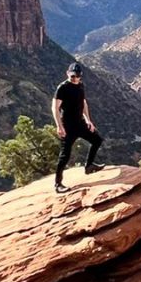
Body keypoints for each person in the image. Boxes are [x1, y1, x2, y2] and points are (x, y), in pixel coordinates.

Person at [53, 62, 105, 193]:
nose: (75, 79)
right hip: (68, 126)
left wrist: (88, 120)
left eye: (77, 76)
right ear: (67, 73)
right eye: (73, 76)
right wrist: (59, 126)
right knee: (65, 155)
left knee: (97, 140)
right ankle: (58, 184)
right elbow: (55, 108)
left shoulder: (81, 85)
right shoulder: (62, 88)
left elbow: (83, 103)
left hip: (80, 123)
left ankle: (89, 166)